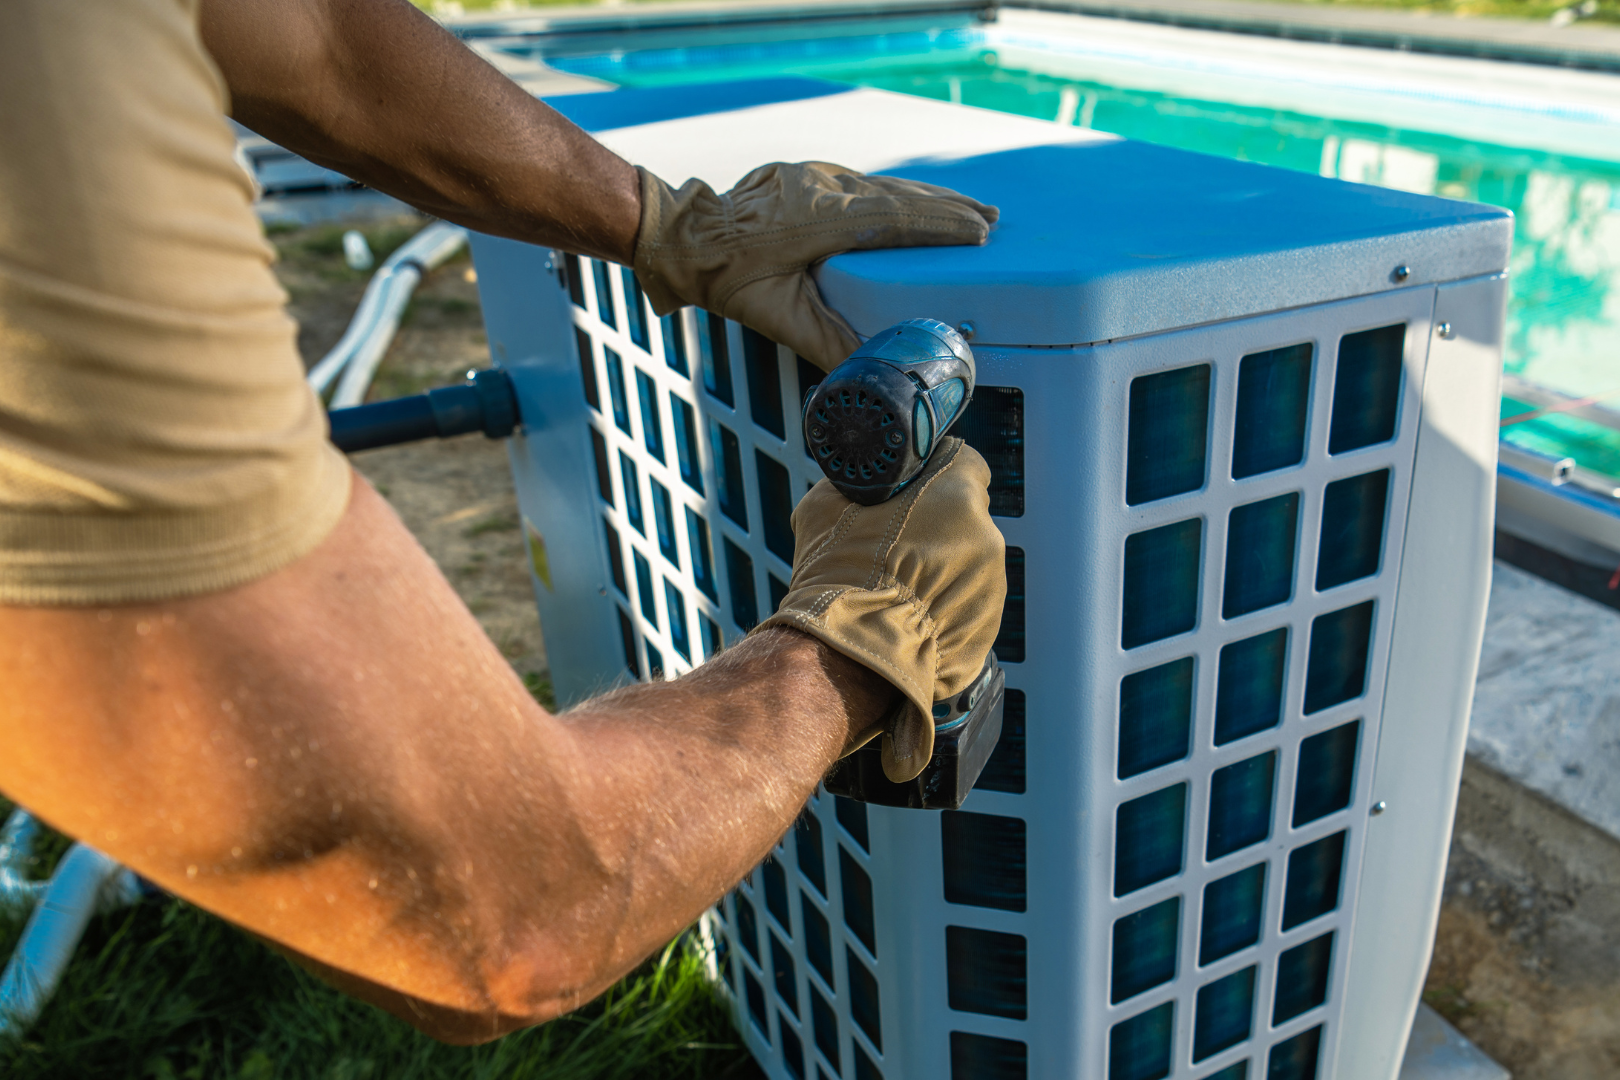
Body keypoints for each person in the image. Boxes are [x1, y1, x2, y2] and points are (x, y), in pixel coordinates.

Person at [0, 0, 1006, 1044]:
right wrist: (866, 634)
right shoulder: (44, 152)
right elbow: (503, 913)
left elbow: (322, 41)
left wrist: (674, 226)